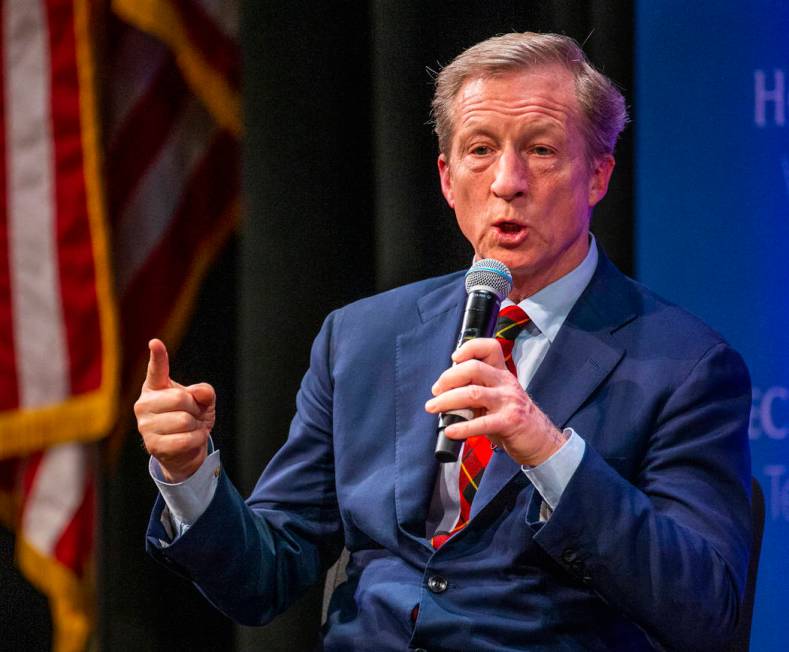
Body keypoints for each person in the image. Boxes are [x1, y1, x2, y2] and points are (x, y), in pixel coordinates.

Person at [136, 32, 752, 651]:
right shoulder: (361, 338)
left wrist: (545, 448)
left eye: (540, 150)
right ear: (447, 178)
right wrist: (188, 474)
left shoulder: (685, 366)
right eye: (480, 150)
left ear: (597, 175)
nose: (507, 182)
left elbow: (705, 612)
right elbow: (263, 578)